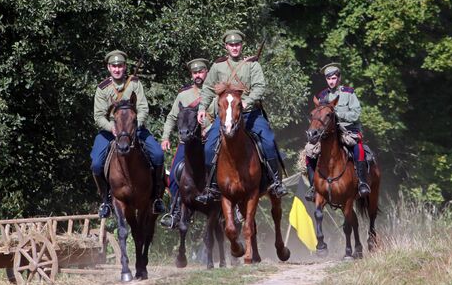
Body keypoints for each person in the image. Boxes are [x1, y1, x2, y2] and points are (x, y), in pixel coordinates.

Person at [195, 29, 288, 204]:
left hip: (250, 113)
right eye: (231, 45)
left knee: (268, 141)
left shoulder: (252, 64)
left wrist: (248, 101)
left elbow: (260, 86)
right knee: (208, 147)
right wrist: (202, 108)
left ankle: (275, 182)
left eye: (237, 44)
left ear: (241, 45)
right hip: (226, 116)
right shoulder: (218, 66)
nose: (234, 47)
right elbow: (207, 88)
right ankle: (212, 187)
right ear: (226, 47)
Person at [90, 50, 166, 218]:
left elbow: (143, 108)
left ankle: (156, 196)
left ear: (125, 67)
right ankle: (106, 200)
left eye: (120, 66)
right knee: (96, 164)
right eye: (114, 66)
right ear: (109, 68)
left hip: (134, 129)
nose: (117, 69)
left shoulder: (134, 83)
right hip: (111, 131)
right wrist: (112, 128)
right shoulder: (103, 89)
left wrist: (135, 125)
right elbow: (98, 116)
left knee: (158, 155)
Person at [159, 58, 215, 228]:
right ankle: (175, 211)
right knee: (176, 172)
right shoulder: (184, 95)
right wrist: (165, 137)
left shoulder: (216, 91)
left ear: (207, 72)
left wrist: (210, 128)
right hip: (189, 142)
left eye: (201, 71)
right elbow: (172, 117)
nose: (198, 75)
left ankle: (231, 205)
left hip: (210, 138)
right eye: (195, 73)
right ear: (192, 75)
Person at [305, 62, 370, 201]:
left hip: (348, 130)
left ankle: (362, 183)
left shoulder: (348, 93)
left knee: (358, 148)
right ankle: (313, 187)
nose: (331, 81)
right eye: (329, 79)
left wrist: (338, 114)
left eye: (334, 78)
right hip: (328, 133)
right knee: (309, 151)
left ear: (339, 78)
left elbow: (356, 114)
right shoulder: (322, 95)